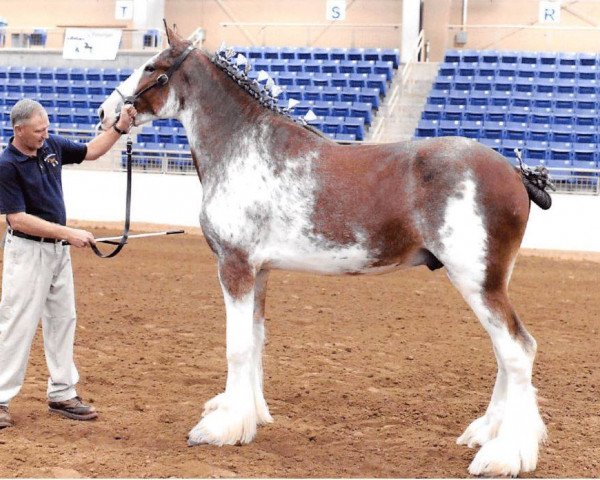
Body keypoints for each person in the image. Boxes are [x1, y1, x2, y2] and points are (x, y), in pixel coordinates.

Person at [0, 98, 136, 429]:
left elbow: (91, 151)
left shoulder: (52, 145)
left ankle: (62, 392)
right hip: (28, 252)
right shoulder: (7, 165)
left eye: (46, 128)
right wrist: (68, 232)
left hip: (57, 252)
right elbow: (17, 220)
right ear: (19, 131)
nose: (45, 134)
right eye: (38, 130)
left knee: (63, 319)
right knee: (17, 324)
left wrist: (120, 128)